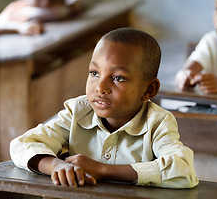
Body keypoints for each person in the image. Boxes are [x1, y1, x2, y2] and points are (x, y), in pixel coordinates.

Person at [10, 28, 199, 189]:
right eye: (94, 73)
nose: (100, 88)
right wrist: (55, 165)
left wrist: (102, 169)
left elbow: (183, 170)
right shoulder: (78, 112)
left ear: (148, 89)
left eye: (118, 78)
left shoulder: (157, 123)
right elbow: (21, 144)